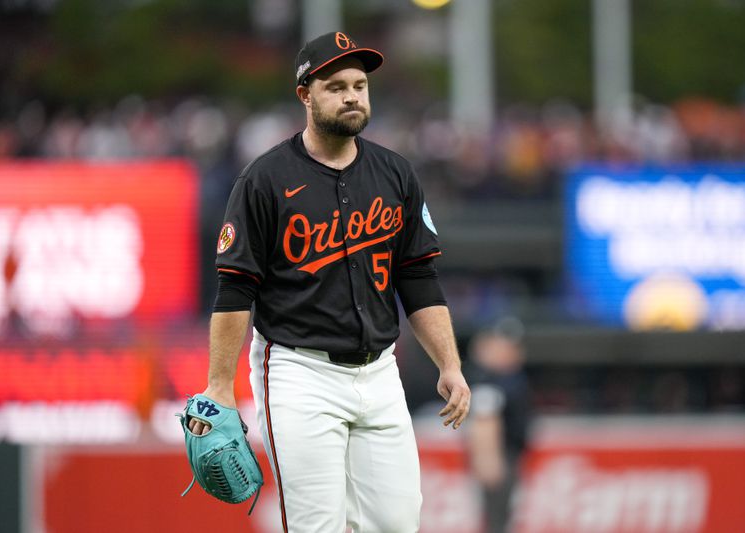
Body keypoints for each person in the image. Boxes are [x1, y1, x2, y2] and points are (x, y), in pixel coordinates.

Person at [188, 31, 471, 532]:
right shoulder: (264, 180)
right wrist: (219, 386)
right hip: (300, 373)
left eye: (360, 85)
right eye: (336, 86)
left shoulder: (395, 174)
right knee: (317, 526)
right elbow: (235, 289)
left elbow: (419, 279)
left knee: (398, 523)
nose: (352, 96)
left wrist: (449, 363)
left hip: (380, 372)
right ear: (306, 94)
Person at [464, 320, 531, 533]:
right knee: (497, 519)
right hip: (502, 456)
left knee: (501, 517)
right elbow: (484, 421)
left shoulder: (506, 377)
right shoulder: (490, 380)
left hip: (509, 455)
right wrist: (487, 457)